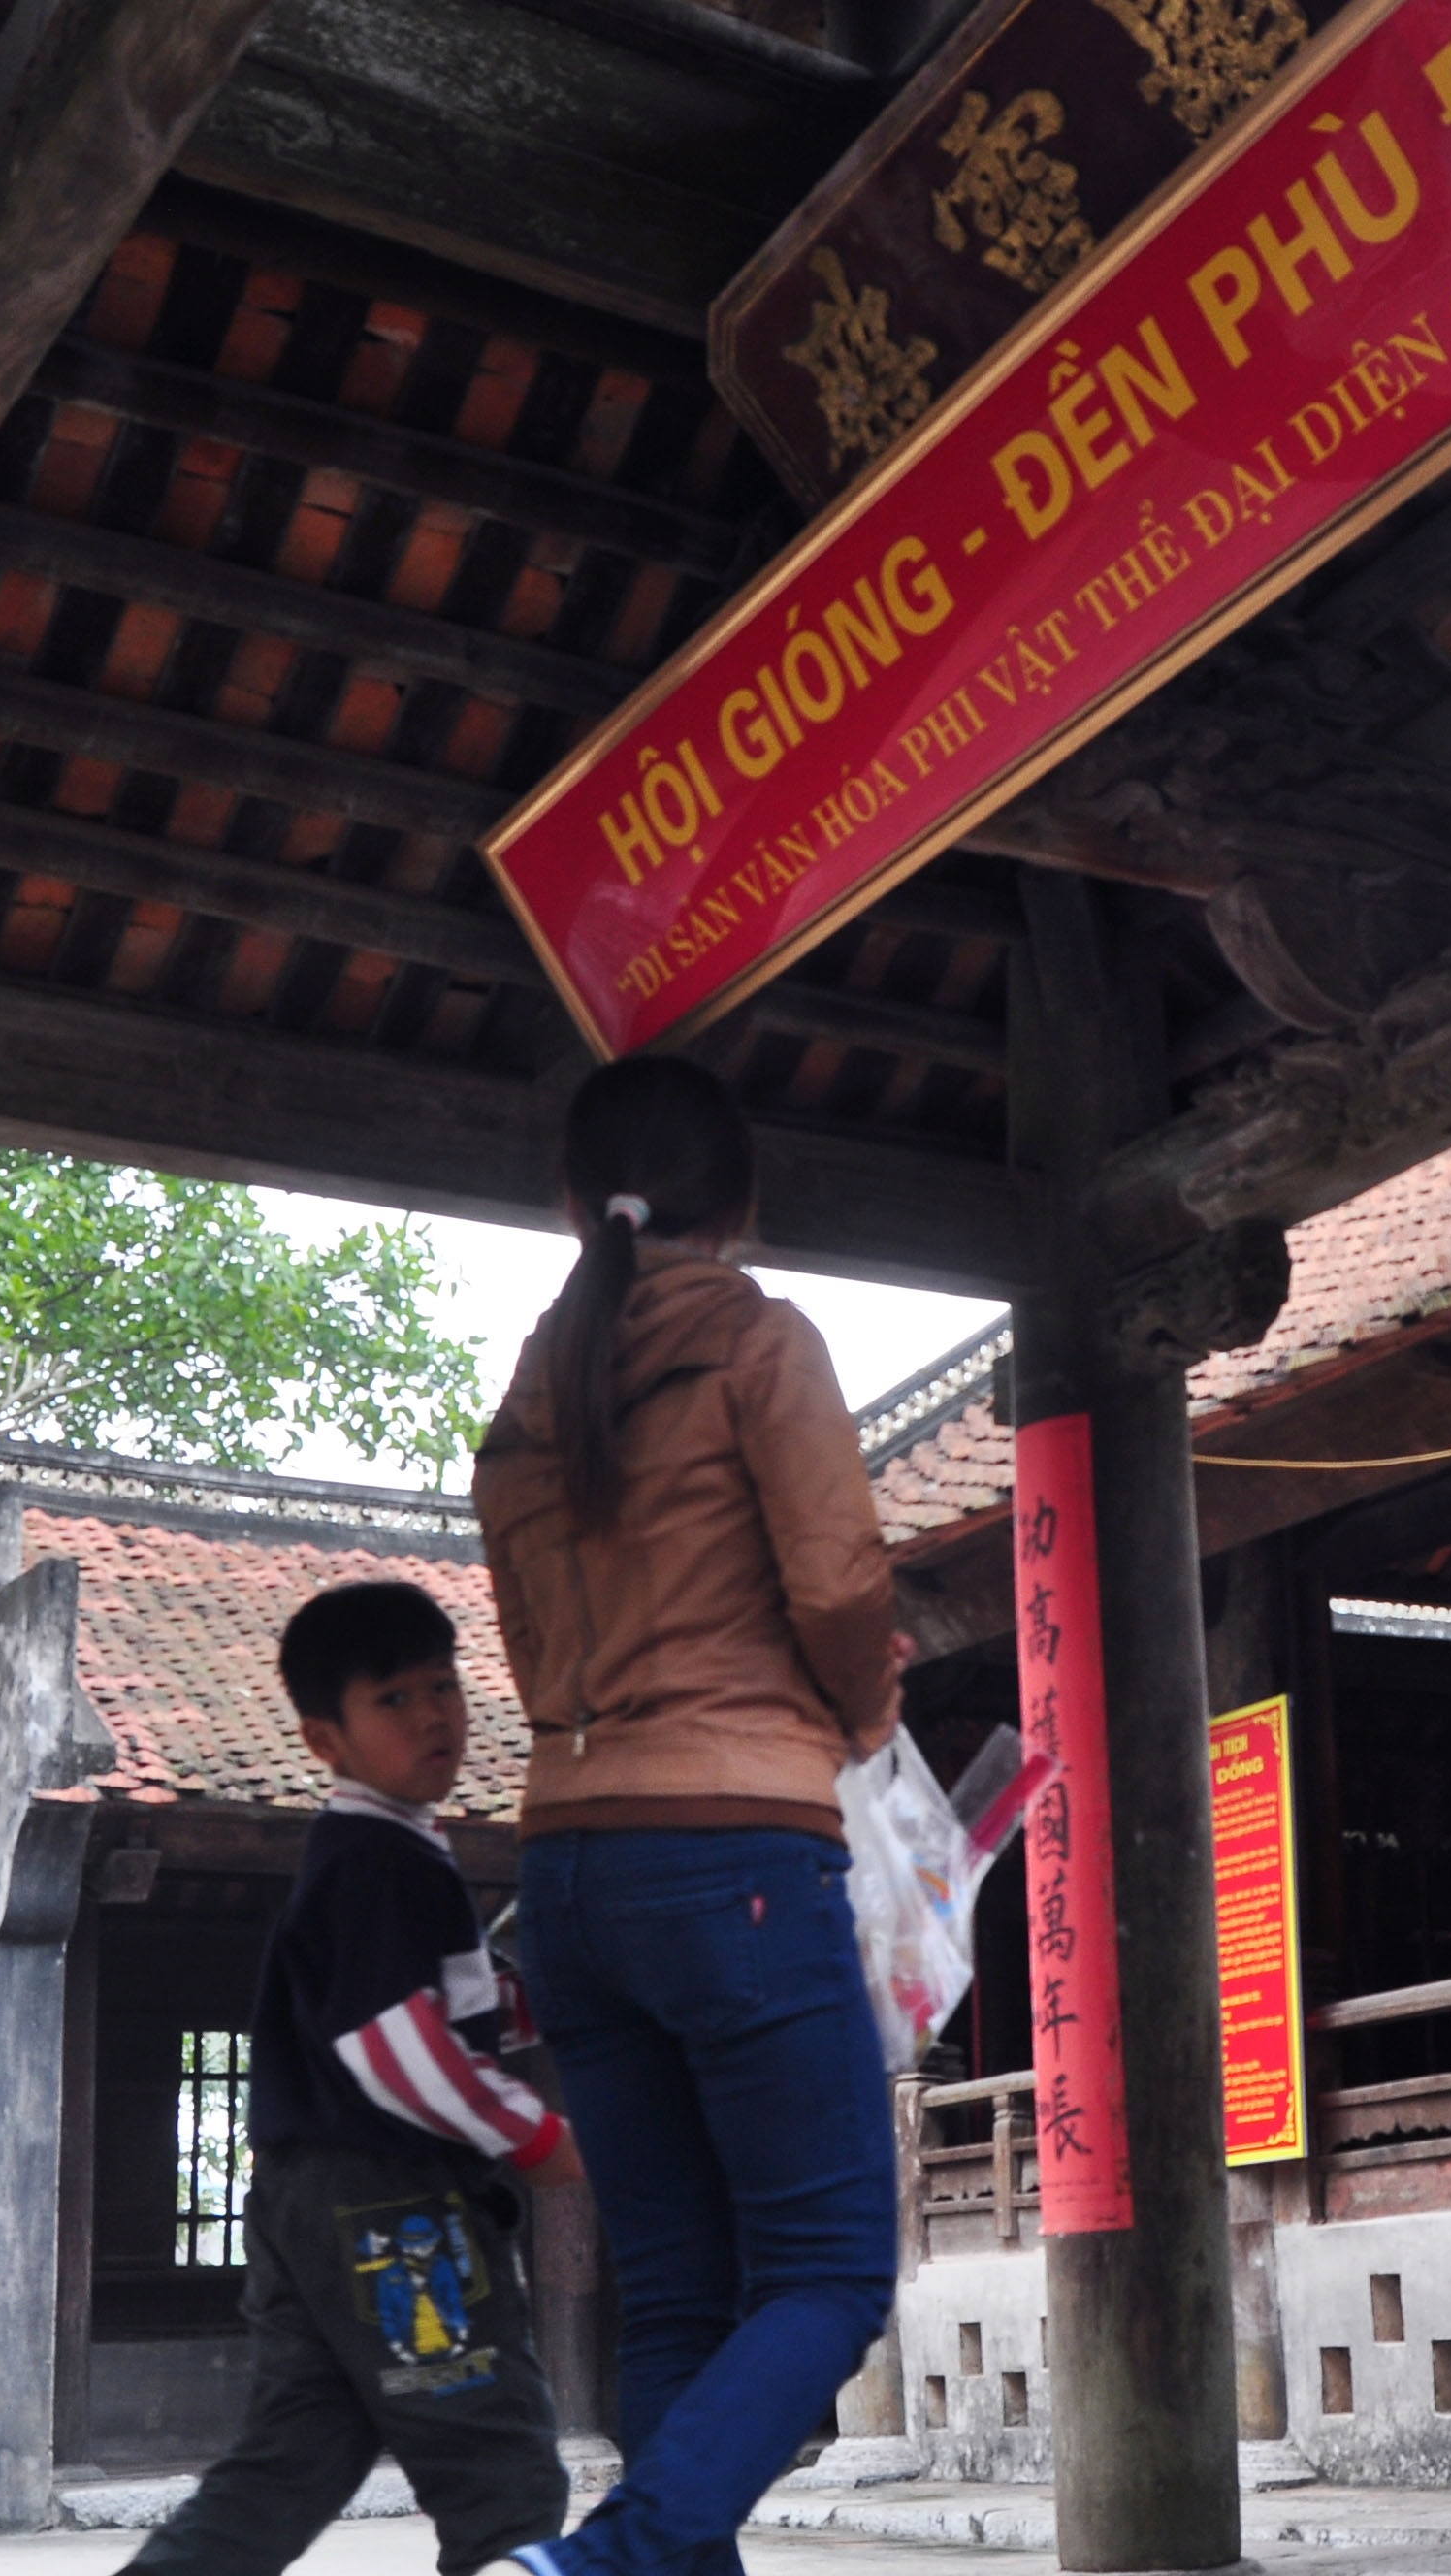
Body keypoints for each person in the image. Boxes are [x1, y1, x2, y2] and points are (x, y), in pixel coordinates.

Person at [474, 1056, 905, 2576]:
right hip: (736, 1854)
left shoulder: (533, 1395)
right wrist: (862, 1715)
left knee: (673, 2298)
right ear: (744, 1201)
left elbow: (528, 1643)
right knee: (831, 2272)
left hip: (568, 1865)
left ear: (572, 1201)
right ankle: (609, 2557)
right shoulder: (760, 1342)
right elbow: (840, 1585)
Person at [123, 1582, 585, 2576]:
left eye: (442, 1686)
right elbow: (394, 2045)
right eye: (394, 1699)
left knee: (292, 2460)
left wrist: (561, 2001)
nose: (432, 1716)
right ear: (324, 1739)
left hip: (308, 2201)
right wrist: (533, 2133)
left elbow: (454, 2009)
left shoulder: (389, 1853)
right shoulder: (379, 1862)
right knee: (500, 2472)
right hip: (393, 2205)